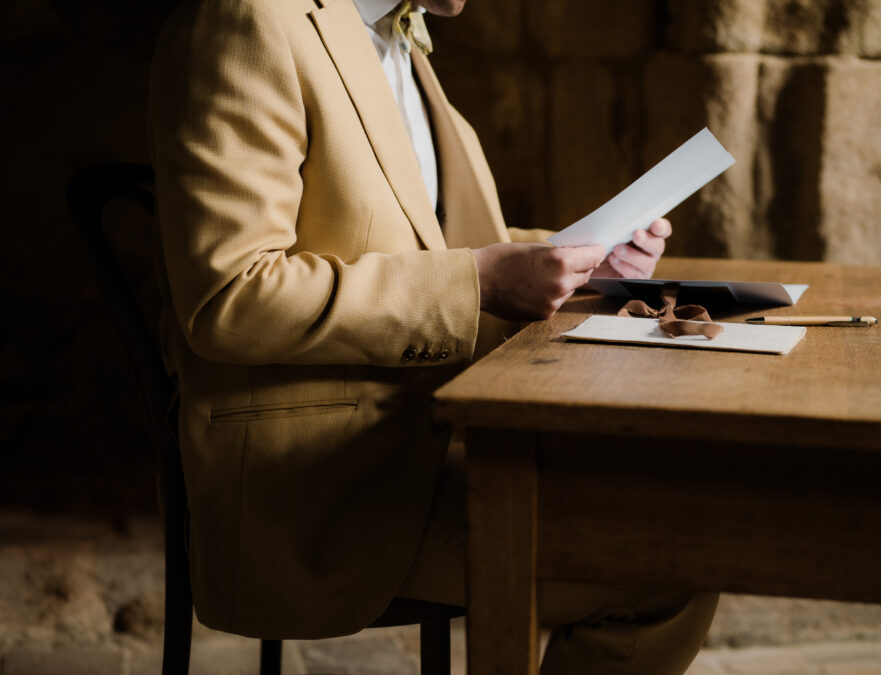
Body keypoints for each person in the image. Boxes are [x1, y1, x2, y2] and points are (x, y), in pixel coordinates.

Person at [148, 0, 718, 671]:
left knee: (683, 525)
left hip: (434, 436)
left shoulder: (398, 37)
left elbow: (440, 246)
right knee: (665, 570)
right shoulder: (245, 19)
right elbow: (229, 295)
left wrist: (586, 264)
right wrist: (475, 285)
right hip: (317, 483)